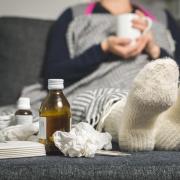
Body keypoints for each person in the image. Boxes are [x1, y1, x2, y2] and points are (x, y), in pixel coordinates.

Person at [44, 0, 180, 152]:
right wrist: (104, 49)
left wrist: (155, 50)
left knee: (166, 98)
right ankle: (132, 124)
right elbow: (53, 75)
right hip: (101, 87)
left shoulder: (162, 17)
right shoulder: (73, 15)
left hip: (158, 89)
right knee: (112, 99)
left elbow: (175, 69)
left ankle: (149, 130)